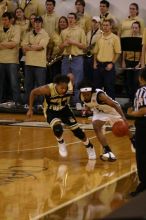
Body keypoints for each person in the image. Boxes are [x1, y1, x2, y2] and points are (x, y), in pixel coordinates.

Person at [26, 74, 96, 160]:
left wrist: (70, 77)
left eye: (65, 88)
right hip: (51, 110)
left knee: (78, 132)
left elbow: (71, 76)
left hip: (65, 110)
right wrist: (30, 109)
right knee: (57, 129)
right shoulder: (48, 89)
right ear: (56, 85)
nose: (63, 90)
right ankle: (61, 142)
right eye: (61, 88)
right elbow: (33, 92)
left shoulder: (69, 87)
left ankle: (89, 147)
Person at [78, 80, 128, 162]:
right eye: (84, 94)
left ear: (92, 91)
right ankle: (107, 150)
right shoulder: (81, 96)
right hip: (100, 111)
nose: (86, 95)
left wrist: (123, 117)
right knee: (96, 126)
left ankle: (133, 140)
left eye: (88, 94)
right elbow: (89, 104)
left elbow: (114, 105)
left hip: (112, 110)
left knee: (124, 130)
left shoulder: (100, 95)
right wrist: (87, 109)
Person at [127, 67, 146, 197]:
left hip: (144, 126)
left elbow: (144, 110)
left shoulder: (142, 91)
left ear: (141, 78)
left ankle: (143, 185)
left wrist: (131, 114)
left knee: (142, 156)